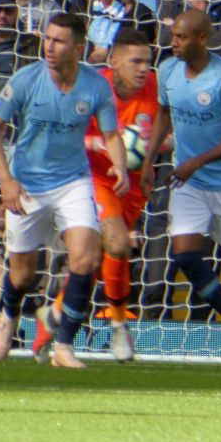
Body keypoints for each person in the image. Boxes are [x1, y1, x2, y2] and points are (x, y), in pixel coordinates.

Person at [0, 13, 127, 369]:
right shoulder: (27, 79)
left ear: (78, 48)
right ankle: (8, 313)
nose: (49, 46)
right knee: (22, 275)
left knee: (86, 259)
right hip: (27, 184)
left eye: (59, 41)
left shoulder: (95, 86)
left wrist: (120, 164)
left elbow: (111, 134)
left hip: (72, 181)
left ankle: (64, 347)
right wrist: (6, 181)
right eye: (48, 38)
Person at [33, 28, 162, 362]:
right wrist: (104, 144)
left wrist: (148, 157)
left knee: (93, 263)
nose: (143, 68)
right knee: (118, 244)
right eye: (135, 61)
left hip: (131, 183)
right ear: (114, 61)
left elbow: (164, 130)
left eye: (147, 61)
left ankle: (54, 315)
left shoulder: (155, 87)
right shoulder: (89, 88)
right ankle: (119, 326)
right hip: (92, 177)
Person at [154, 9, 221, 371]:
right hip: (189, 182)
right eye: (173, 37)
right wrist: (151, 158)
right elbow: (162, 114)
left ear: (201, 38)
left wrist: (197, 160)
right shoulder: (167, 70)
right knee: (184, 256)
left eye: (181, 38)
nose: (174, 44)